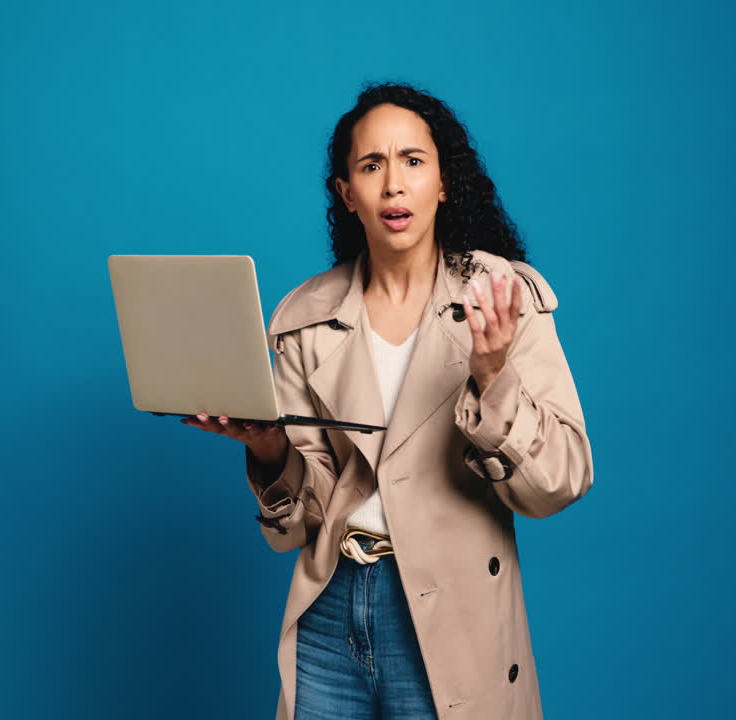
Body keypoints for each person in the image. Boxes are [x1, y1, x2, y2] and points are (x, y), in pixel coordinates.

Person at [182, 81, 594, 720]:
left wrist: (492, 378)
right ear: (347, 194)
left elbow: (562, 480)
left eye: (413, 161)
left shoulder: (504, 296)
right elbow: (300, 520)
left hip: (450, 609)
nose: (393, 185)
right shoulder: (305, 319)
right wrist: (267, 445)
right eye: (371, 166)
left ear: (443, 182)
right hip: (331, 602)